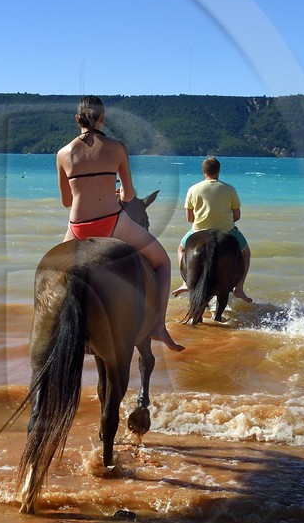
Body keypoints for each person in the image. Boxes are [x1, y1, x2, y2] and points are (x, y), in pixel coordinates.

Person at [56, 96, 183, 352]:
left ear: (77, 119)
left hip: (77, 226)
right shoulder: (117, 148)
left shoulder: (63, 153)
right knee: (163, 262)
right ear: (103, 118)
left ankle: (56, 326)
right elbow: (127, 195)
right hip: (111, 223)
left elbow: (66, 201)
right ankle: (158, 326)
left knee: (56, 274)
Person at [172, 155, 252, 302]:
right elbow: (237, 215)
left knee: (181, 249)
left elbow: (190, 218)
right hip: (227, 230)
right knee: (246, 253)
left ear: (203, 171)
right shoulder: (230, 189)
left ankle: (185, 281)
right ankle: (239, 289)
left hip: (198, 230)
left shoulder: (192, 189)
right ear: (218, 171)